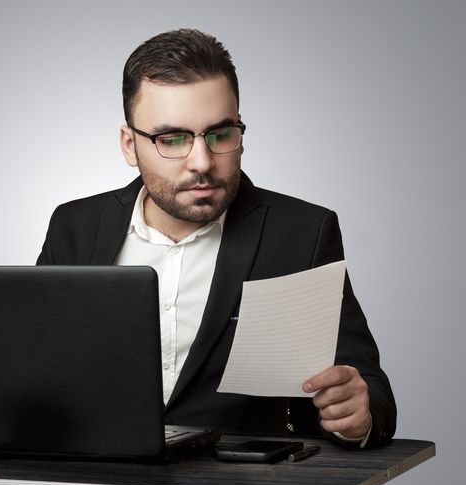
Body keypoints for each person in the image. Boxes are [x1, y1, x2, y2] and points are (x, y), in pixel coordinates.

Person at [37, 28, 396, 448]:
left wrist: (360, 410)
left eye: (220, 134)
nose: (202, 162)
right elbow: (40, 369)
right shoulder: (74, 226)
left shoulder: (302, 234)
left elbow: (368, 387)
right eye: (172, 139)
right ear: (129, 145)